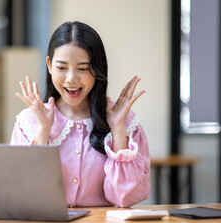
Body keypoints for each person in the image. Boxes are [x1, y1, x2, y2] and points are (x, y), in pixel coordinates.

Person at [10, 21, 150, 208]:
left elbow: (126, 198)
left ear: (97, 69)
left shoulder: (126, 122)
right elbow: (22, 194)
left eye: (83, 68)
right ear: (49, 65)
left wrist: (117, 129)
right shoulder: (28, 122)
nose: (71, 79)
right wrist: (43, 131)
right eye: (61, 67)